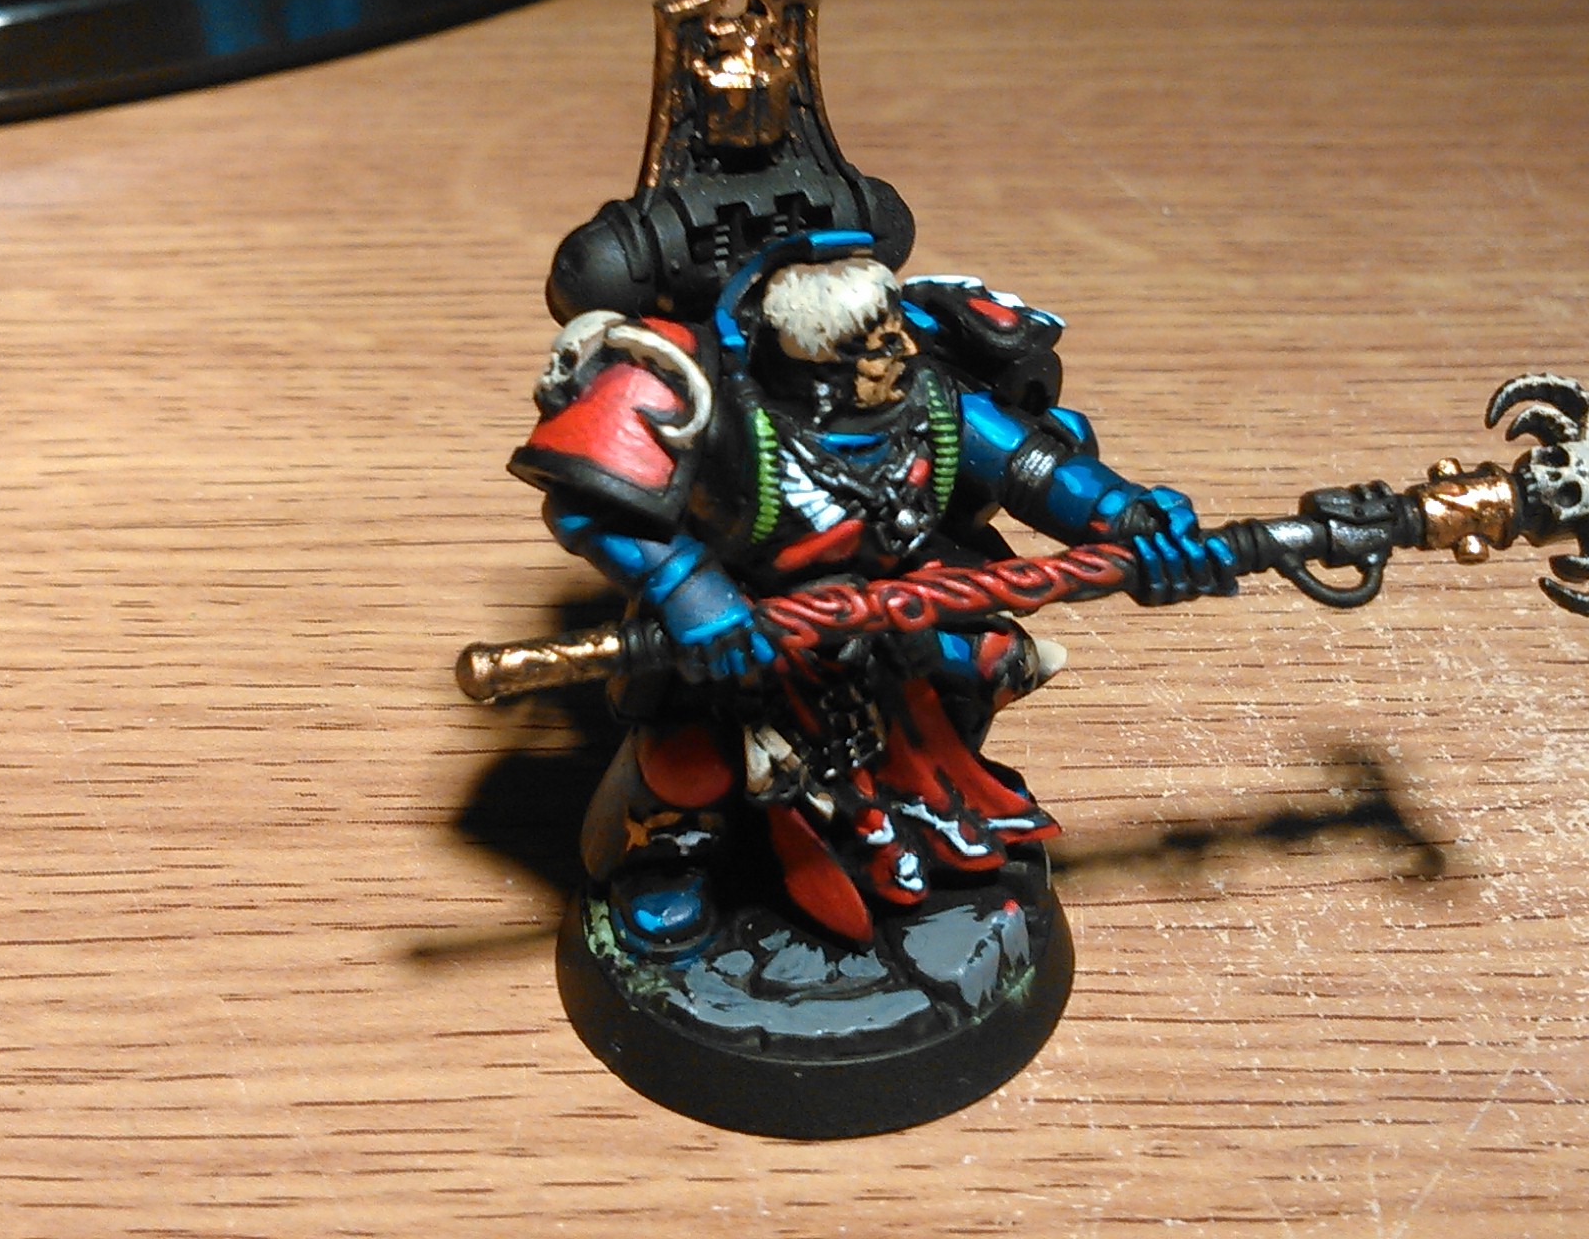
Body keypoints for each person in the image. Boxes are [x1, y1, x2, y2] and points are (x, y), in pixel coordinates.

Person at [509, 230, 1242, 953]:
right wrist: (691, 592)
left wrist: (1127, 517)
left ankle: (921, 817)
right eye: (873, 345)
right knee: (692, 756)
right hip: (753, 624)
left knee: (984, 662)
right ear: (814, 367)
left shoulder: (929, 398)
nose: (899, 351)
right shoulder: (716, 407)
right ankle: (673, 856)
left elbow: (1033, 469)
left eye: (895, 333)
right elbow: (589, 503)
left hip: (898, 609)